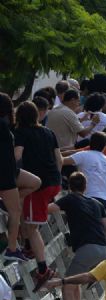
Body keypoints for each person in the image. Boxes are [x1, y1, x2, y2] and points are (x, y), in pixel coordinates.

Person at [45, 172, 106, 300]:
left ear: (69, 187)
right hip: (103, 248)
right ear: (85, 186)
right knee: (74, 285)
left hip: (87, 248)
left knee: (67, 286)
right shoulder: (96, 203)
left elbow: (49, 209)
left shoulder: (70, 199)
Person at [14, 101, 63, 286]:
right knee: (29, 219)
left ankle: (43, 269)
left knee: (32, 228)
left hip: (38, 185)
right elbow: (59, 159)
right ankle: (27, 246)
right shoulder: (49, 132)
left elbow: (17, 156)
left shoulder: (20, 133)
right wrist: (56, 179)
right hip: (53, 182)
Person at [0, 92, 40, 262]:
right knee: (15, 212)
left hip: (10, 170)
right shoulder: (2, 125)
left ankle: (4, 203)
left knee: (35, 182)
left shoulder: (5, 125)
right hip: (5, 173)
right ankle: (12, 248)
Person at [63, 132, 106, 211]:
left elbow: (61, 161)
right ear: (104, 146)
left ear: (90, 142)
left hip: (88, 198)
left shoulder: (84, 154)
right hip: (105, 201)